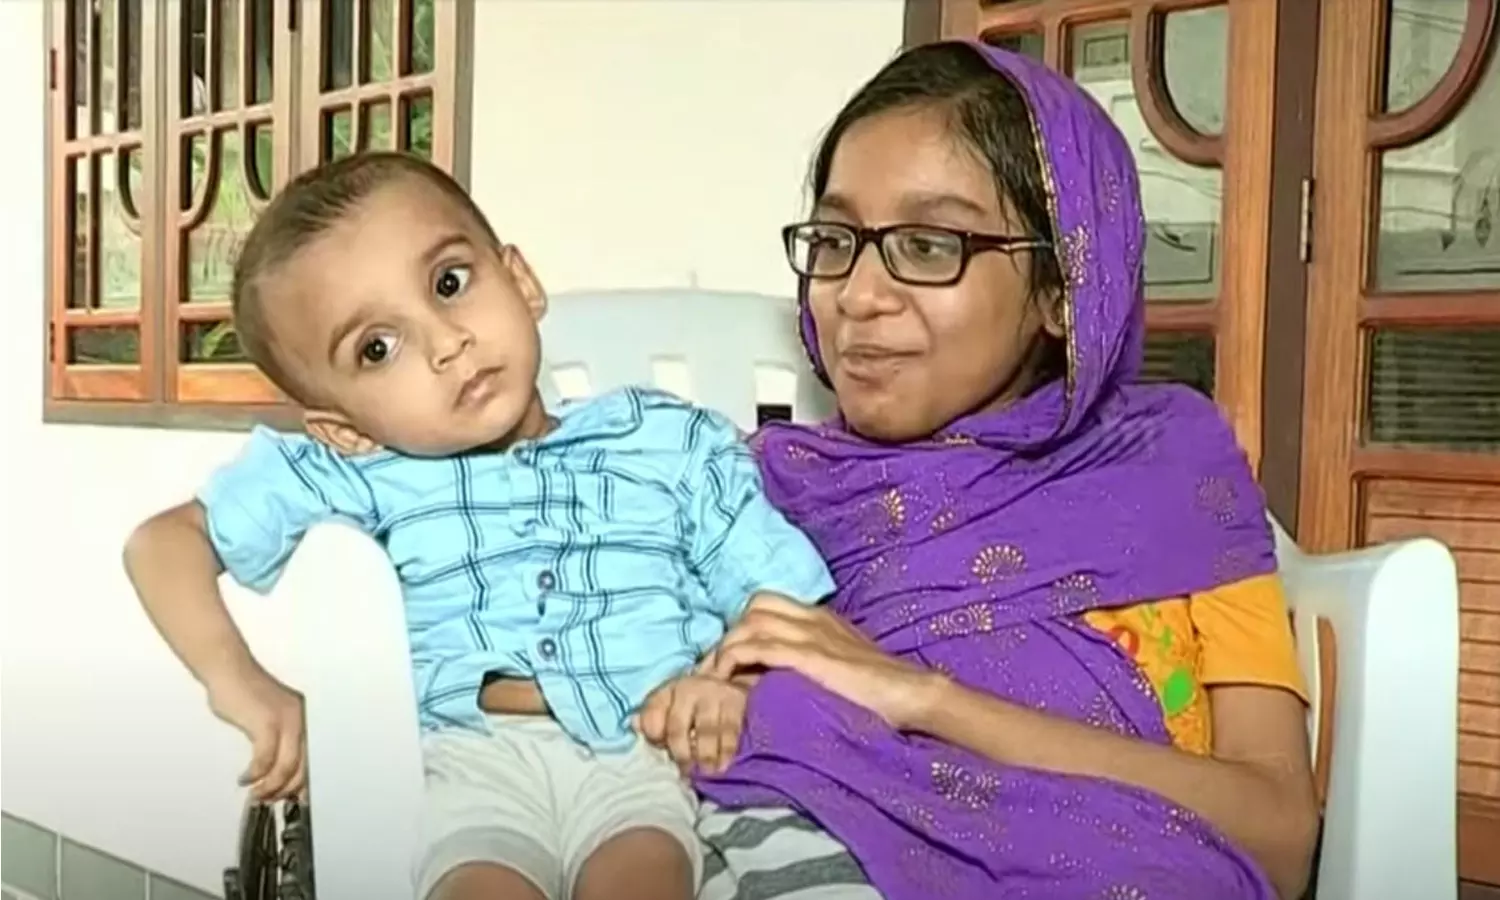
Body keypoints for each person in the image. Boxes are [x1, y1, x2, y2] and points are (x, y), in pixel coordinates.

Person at [640, 41, 1320, 900]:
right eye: (836, 239)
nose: (857, 295)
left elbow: (1280, 838)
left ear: (1062, 290)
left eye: (929, 245)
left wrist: (923, 699)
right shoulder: (744, 500)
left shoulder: (1174, 485)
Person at [121, 152, 834, 900]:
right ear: (343, 427)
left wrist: (730, 682)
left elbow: (781, 599)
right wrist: (244, 688)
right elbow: (162, 545)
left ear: (520, 281)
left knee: (642, 878)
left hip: (643, 751)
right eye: (377, 348)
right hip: (466, 764)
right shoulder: (361, 471)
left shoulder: (666, 441)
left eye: (449, 283)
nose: (446, 343)